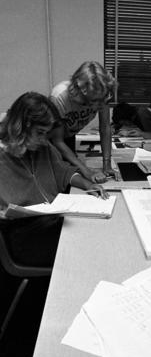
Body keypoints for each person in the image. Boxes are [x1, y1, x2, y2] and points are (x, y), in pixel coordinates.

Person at [0, 92, 108, 267]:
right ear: (21, 126)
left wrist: (87, 184)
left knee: (94, 233)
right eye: (40, 133)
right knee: (89, 249)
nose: (44, 140)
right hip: (19, 235)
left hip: (49, 222)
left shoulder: (41, 147)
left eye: (47, 134)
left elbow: (63, 171)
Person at [49, 61, 118, 183]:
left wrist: (107, 164)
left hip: (70, 135)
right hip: (52, 141)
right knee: (61, 177)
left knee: (74, 171)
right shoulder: (59, 97)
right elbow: (57, 141)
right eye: (94, 100)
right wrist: (86, 170)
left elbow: (105, 127)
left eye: (100, 100)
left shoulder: (102, 92)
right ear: (80, 90)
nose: (97, 105)